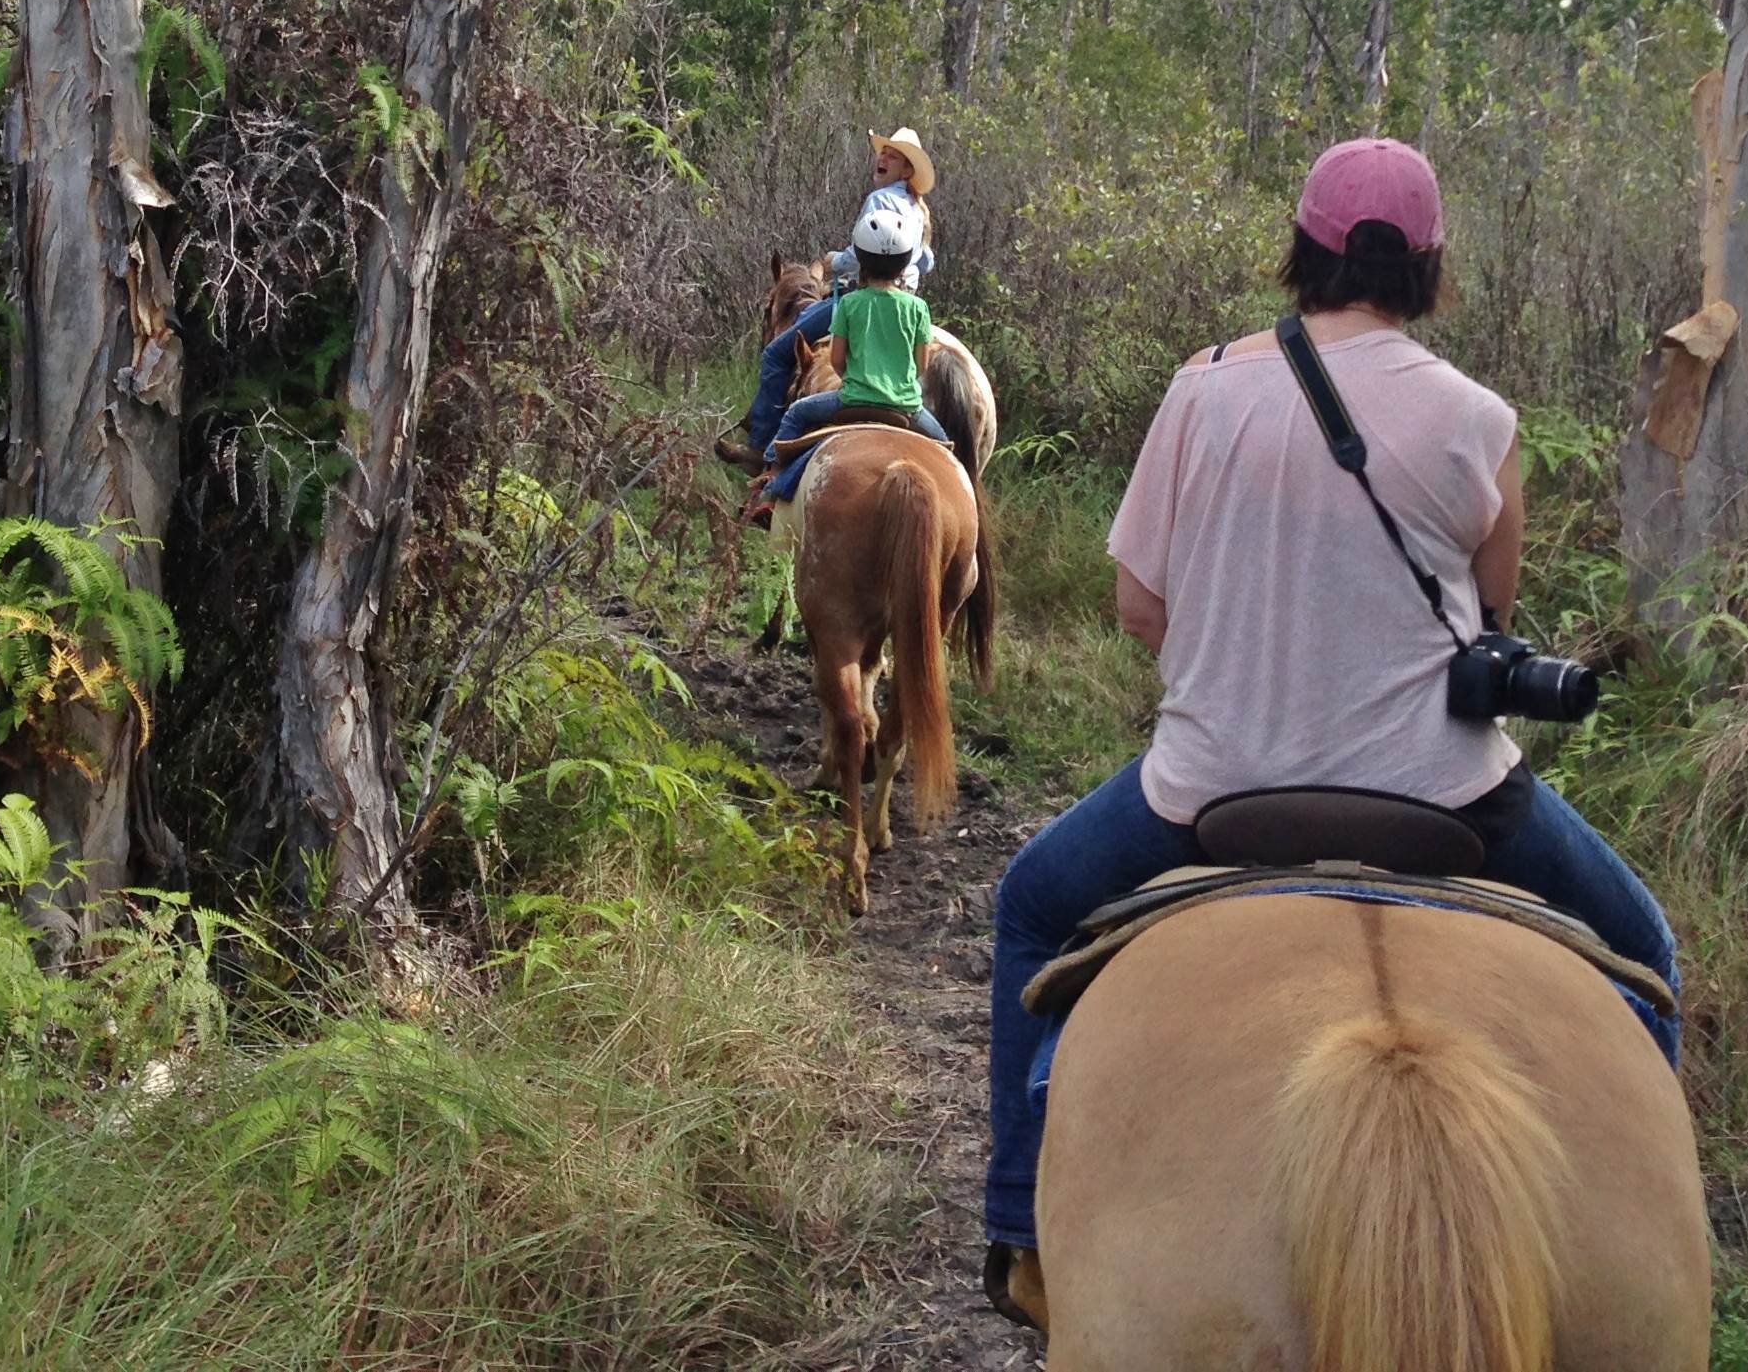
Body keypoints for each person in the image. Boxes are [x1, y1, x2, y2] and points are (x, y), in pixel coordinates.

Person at [976, 137, 1682, 1322]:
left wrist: (1251, 657)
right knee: (1644, 951)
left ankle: (1012, 1228)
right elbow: (1489, 634)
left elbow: (1138, 608)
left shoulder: (1202, 386)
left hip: (1210, 787)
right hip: (1450, 796)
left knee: (1030, 906)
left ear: (1301, 252)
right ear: (1426, 269)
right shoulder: (1481, 420)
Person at [719, 127, 941, 470]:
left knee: (777, 354)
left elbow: (858, 256)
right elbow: (926, 261)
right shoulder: (917, 211)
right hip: (906, 293)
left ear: (907, 170)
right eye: (883, 152)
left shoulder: (880, 201)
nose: (882, 157)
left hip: (862, 291)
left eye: (892, 155)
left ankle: (760, 448)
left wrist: (832, 262)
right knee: (945, 449)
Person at [745, 208, 951, 525]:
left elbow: (837, 360)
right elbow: (920, 364)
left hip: (852, 401)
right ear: (904, 263)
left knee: (795, 415)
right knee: (949, 454)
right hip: (907, 409)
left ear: (861, 262)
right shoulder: (918, 307)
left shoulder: (849, 304)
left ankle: (771, 483)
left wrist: (856, 383)